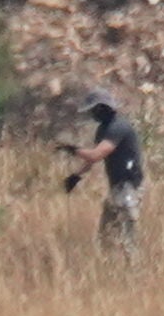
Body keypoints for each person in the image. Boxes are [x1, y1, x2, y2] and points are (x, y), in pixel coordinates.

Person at [61, 89, 145, 255]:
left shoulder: (118, 127)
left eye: (93, 110)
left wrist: (72, 149)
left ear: (101, 108)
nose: (92, 114)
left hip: (128, 187)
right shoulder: (103, 129)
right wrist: (76, 176)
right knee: (106, 235)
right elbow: (92, 159)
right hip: (116, 188)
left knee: (127, 235)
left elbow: (97, 154)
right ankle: (110, 267)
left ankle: (133, 270)